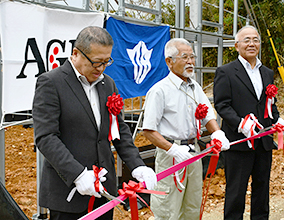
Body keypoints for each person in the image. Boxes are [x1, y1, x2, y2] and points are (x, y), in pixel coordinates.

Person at [32, 26, 157, 220]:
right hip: (69, 193)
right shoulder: (51, 82)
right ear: (76, 53)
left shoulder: (108, 83)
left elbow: (119, 129)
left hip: (104, 191)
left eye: (106, 62)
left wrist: (137, 165)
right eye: (96, 63)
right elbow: (46, 137)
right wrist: (78, 174)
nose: (100, 69)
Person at [142, 38, 230, 220]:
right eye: (185, 57)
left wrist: (217, 133)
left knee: (192, 205)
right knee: (167, 208)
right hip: (170, 155)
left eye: (192, 57)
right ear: (169, 61)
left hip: (194, 153)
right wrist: (172, 149)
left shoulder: (194, 87)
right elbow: (149, 130)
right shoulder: (160, 91)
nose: (190, 62)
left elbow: (207, 115)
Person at [213, 25, 284, 219]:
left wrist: (278, 119)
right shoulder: (226, 72)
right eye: (246, 40)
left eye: (255, 40)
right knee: (236, 193)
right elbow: (222, 105)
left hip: (263, 143)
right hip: (239, 143)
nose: (251, 44)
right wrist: (241, 124)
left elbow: (269, 104)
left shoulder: (267, 73)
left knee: (262, 190)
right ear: (236, 45)